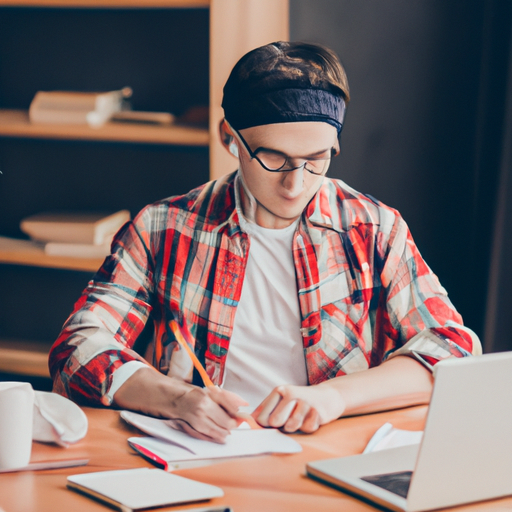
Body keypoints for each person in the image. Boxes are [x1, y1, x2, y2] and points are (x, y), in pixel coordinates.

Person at [49, 41, 481, 443]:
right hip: (201, 455)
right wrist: (175, 398)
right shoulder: (163, 228)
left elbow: (453, 347)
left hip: (328, 456)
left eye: (316, 160)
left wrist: (335, 397)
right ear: (229, 138)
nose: (295, 184)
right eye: (273, 157)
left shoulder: (374, 228)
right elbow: (77, 347)